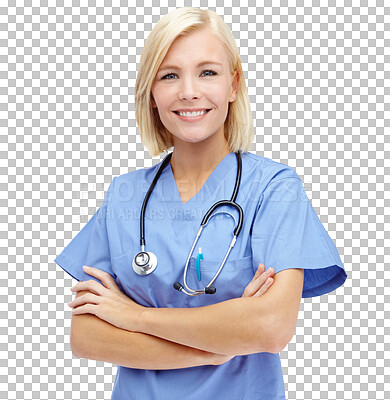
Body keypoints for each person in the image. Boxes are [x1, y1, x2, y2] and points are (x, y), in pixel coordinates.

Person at [54, 7, 347, 399]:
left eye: (207, 72)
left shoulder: (275, 189)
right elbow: (87, 336)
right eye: (169, 75)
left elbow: (272, 327)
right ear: (152, 94)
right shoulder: (124, 196)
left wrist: (133, 316)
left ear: (233, 84)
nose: (189, 91)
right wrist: (215, 346)